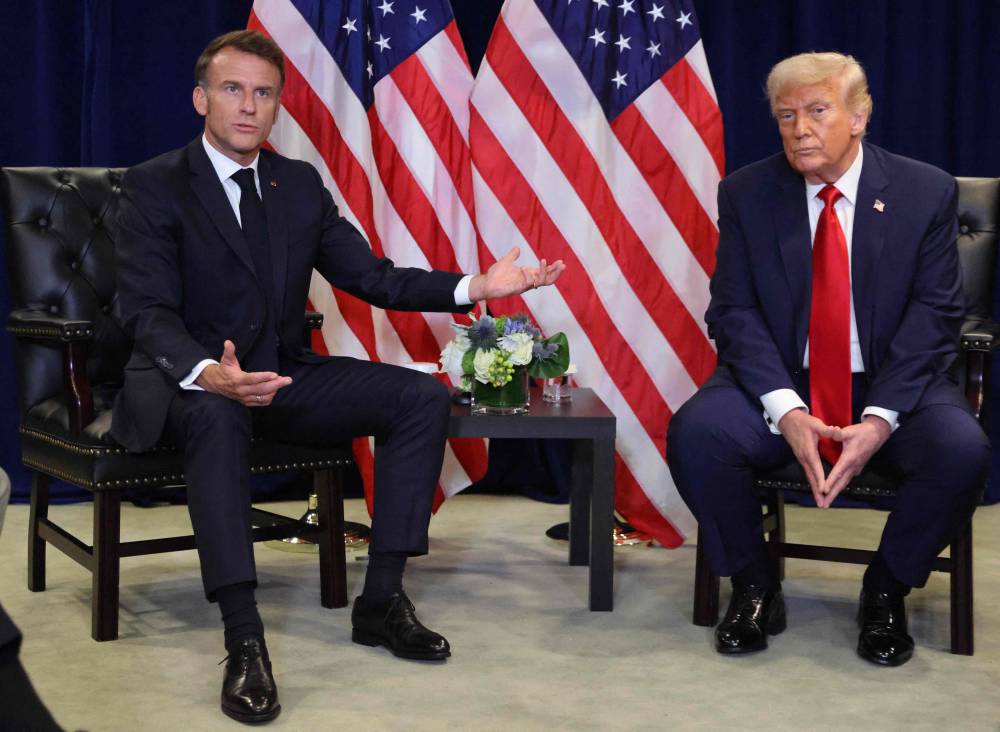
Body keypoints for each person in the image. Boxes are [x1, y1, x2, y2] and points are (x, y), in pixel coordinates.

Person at [111, 30, 563, 724]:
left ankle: (380, 600)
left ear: (276, 107)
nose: (247, 106)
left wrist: (477, 284)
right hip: (190, 387)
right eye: (232, 89)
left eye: (263, 94)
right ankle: (245, 638)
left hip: (285, 376)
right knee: (217, 414)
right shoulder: (153, 184)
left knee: (416, 396)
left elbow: (372, 276)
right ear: (201, 98)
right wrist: (210, 373)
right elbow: (145, 310)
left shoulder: (297, 185)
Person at [667, 52, 989, 667]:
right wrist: (785, 409)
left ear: (859, 117)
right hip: (785, 381)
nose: (799, 129)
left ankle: (885, 592)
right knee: (698, 433)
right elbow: (732, 312)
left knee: (960, 449)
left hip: (895, 384)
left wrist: (880, 418)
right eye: (786, 115)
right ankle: (756, 587)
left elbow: (936, 317)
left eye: (817, 111)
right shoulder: (748, 193)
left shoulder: (924, 191)